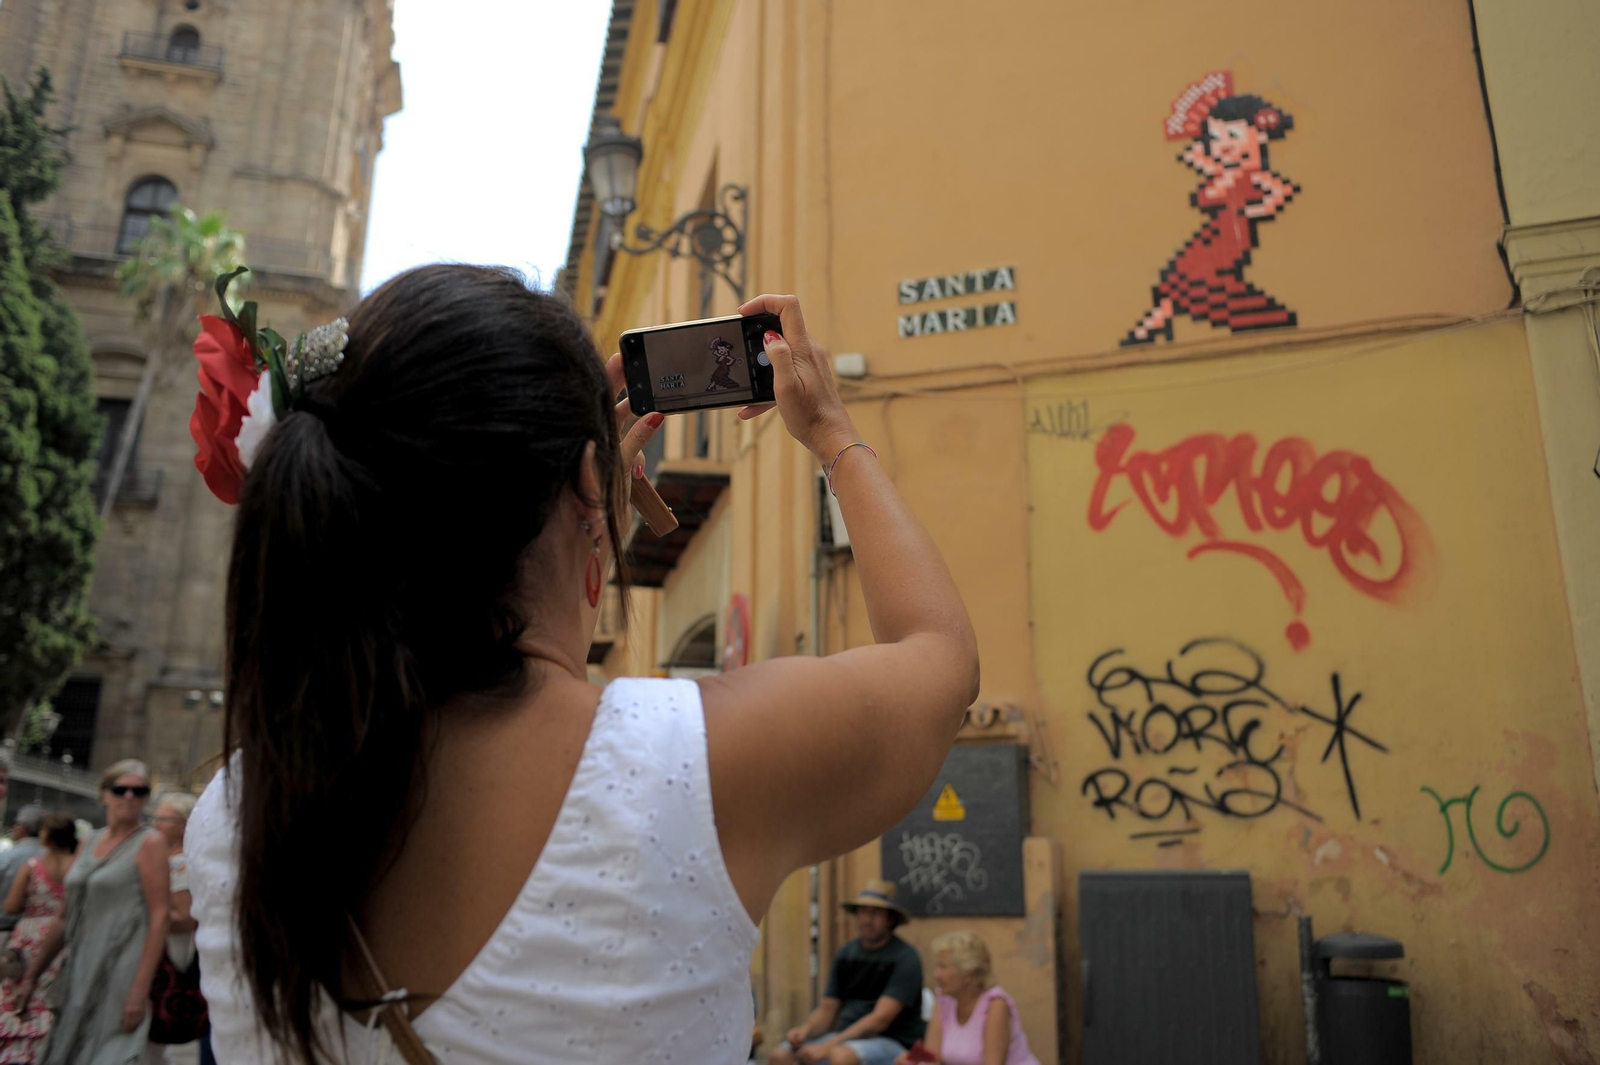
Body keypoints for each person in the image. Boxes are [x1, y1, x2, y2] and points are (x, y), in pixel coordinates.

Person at [179, 268, 978, 1063]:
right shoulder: (689, 765)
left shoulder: (229, 814)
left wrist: (588, 522)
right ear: (591, 483)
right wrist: (834, 433)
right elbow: (939, 658)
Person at [1122, 85, 1299, 346]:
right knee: (1176, 278)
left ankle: (1155, 324)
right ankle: (1155, 324)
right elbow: (1209, 169)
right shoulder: (1226, 171)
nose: (1223, 143)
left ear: (1259, 136)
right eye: (1216, 137)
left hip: (1231, 238)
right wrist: (1198, 159)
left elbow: (1282, 189)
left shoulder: (1251, 173)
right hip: (1211, 236)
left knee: (1193, 281)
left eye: (1233, 134)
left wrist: (1258, 210)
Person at [27, 760, 170, 1065]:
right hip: (78, 965)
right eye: (121, 789)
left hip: (120, 968)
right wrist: (32, 975)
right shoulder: (89, 842)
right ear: (104, 794)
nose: (129, 797)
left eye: (139, 791)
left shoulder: (150, 843)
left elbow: (160, 917)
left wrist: (139, 989)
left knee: (105, 1052)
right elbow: (64, 915)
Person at [775, 880, 926, 1065]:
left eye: (876, 913)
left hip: (891, 1041)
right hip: (845, 1037)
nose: (867, 919)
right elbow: (827, 1010)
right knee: (781, 1056)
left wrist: (829, 1046)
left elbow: (879, 1020)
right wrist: (805, 1030)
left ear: (891, 918)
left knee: (840, 1056)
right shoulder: (846, 953)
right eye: (863, 911)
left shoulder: (905, 957)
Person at [0, 813, 77, 1062]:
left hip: (30, 937)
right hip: (65, 938)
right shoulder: (78, 867)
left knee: (18, 995)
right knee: (51, 996)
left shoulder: (33, 866)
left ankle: (17, 1052)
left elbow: (11, 906)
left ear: (47, 836)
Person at [898, 931, 1039, 1065]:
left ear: (968, 975)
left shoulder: (996, 1005)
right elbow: (931, 1058)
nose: (936, 974)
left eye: (943, 967)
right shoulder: (945, 998)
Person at [149, 793, 210, 1065]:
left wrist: (146, 914)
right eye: (156, 818)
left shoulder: (181, 864)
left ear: (184, 825)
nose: (156, 824)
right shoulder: (165, 859)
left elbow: (184, 918)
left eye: (164, 819)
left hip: (169, 955)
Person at [0, 808, 46, 937]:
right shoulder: (51, 859)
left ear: (22, 828)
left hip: (4, 930)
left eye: (16, 824)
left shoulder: (6, 858)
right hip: (38, 936)